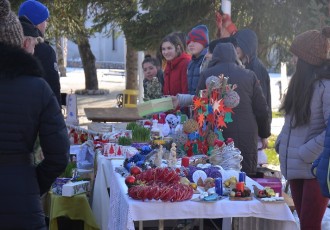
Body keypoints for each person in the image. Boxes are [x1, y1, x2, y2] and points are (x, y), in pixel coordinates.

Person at [0, 0, 69, 229]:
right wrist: (31, 184)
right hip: (21, 201)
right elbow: (59, 155)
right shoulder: (36, 87)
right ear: (21, 42)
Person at [175, 43, 270, 176]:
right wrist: (264, 133)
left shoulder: (207, 74)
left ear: (215, 57)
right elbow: (261, 109)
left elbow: (199, 106)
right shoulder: (249, 75)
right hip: (246, 135)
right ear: (235, 56)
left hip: (215, 133)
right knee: (244, 177)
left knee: (216, 176)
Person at [275, 27, 330, 230]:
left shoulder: (326, 87)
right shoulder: (298, 83)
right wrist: (281, 142)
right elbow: (291, 122)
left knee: (309, 225)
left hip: (315, 169)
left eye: (296, 56)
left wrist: (306, 152)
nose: (292, 60)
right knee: (304, 225)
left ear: (307, 59)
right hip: (295, 167)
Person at [233, 29, 272, 165]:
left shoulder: (256, 68)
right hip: (247, 128)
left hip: (255, 129)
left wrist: (264, 133)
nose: (235, 48)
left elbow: (262, 104)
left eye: (238, 45)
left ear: (247, 45)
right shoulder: (244, 65)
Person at [19, 0, 62, 106]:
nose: (46, 24)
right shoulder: (45, 51)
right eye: (45, 20)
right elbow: (53, 86)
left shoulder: (9, 45)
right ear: (37, 23)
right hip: (39, 113)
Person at [186, 25, 209, 95]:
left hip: (204, 104)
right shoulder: (191, 62)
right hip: (193, 103)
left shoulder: (207, 61)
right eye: (189, 41)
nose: (191, 44)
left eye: (195, 40)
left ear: (204, 43)